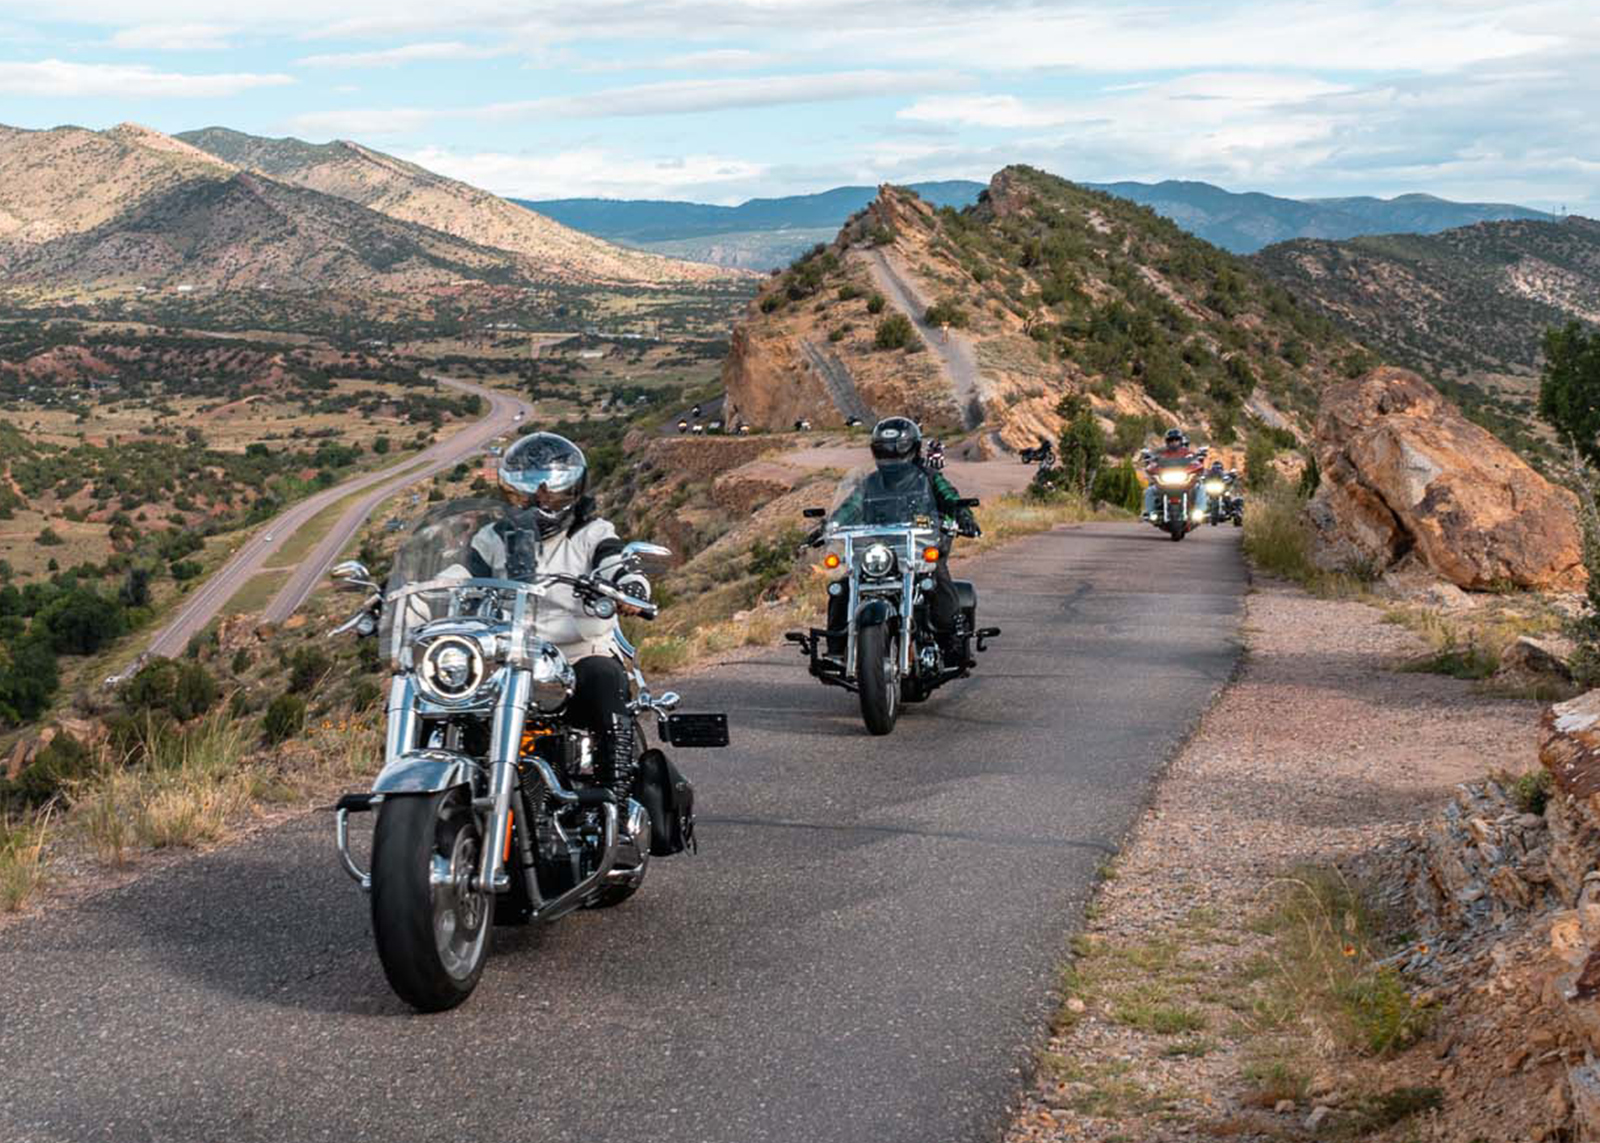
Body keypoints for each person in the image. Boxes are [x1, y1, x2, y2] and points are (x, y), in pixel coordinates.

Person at [477, 432, 649, 809]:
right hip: (509, 657)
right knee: (460, 701)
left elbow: (615, 560)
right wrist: (408, 604)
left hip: (577, 654)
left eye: (551, 488)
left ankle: (613, 801)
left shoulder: (592, 532)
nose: (540, 499)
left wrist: (629, 585)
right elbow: (456, 577)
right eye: (529, 488)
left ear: (573, 489)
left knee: (604, 681)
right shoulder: (492, 538)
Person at [826, 416, 979, 655]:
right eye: (885, 449)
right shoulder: (870, 483)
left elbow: (949, 496)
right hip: (877, 551)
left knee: (936, 581)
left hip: (917, 550)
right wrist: (829, 524)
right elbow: (851, 507)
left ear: (913, 447)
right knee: (842, 588)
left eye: (896, 448)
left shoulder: (928, 477)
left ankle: (952, 641)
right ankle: (835, 648)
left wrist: (962, 514)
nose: (891, 454)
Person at [1141, 427, 1208, 520]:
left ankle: (1200, 512)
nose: (1174, 442)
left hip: (1184, 481)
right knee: (1150, 490)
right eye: (1171, 440)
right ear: (1167, 442)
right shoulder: (1162, 454)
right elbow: (1153, 463)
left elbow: (1195, 462)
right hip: (1165, 482)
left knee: (1200, 488)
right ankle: (1150, 513)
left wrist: (1200, 459)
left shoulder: (1187, 453)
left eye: (1176, 440)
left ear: (1180, 441)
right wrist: (1149, 461)